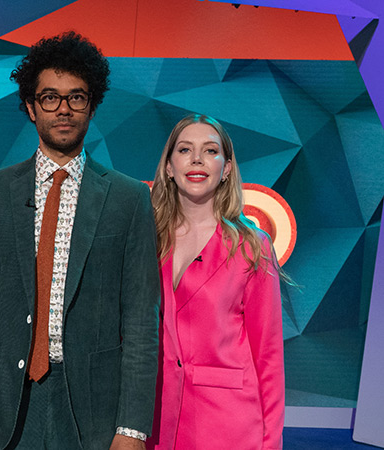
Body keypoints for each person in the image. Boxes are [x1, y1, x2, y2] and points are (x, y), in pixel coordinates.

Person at [0, 31, 160, 450]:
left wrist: (131, 429)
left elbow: (139, 324)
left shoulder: (129, 198)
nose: (63, 109)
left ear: (92, 106)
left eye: (76, 97)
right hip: (1, 403)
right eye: (50, 97)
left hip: (92, 411)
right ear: (30, 106)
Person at [147, 114, 285, 449]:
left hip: (227, 424)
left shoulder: (252, 246)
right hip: (154, 417)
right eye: (184, 149)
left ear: (226, 169)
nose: (196, 159)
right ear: (168, 167)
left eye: (210, 151)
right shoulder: (145, 239)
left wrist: (271, 442)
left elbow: (268, 353)